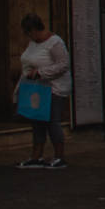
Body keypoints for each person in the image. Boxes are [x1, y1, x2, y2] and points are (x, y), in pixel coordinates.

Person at [15, 13, 71, 170]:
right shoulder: (33, 43)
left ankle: (59, 156)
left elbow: (63, 64)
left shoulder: (55, 43)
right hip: (36, 88)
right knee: (37, 121)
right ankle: (36, 156)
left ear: (34, 29)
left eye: (29, 32)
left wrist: (41, 72)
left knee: (52, 121)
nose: (30, 36)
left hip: (53, 88)